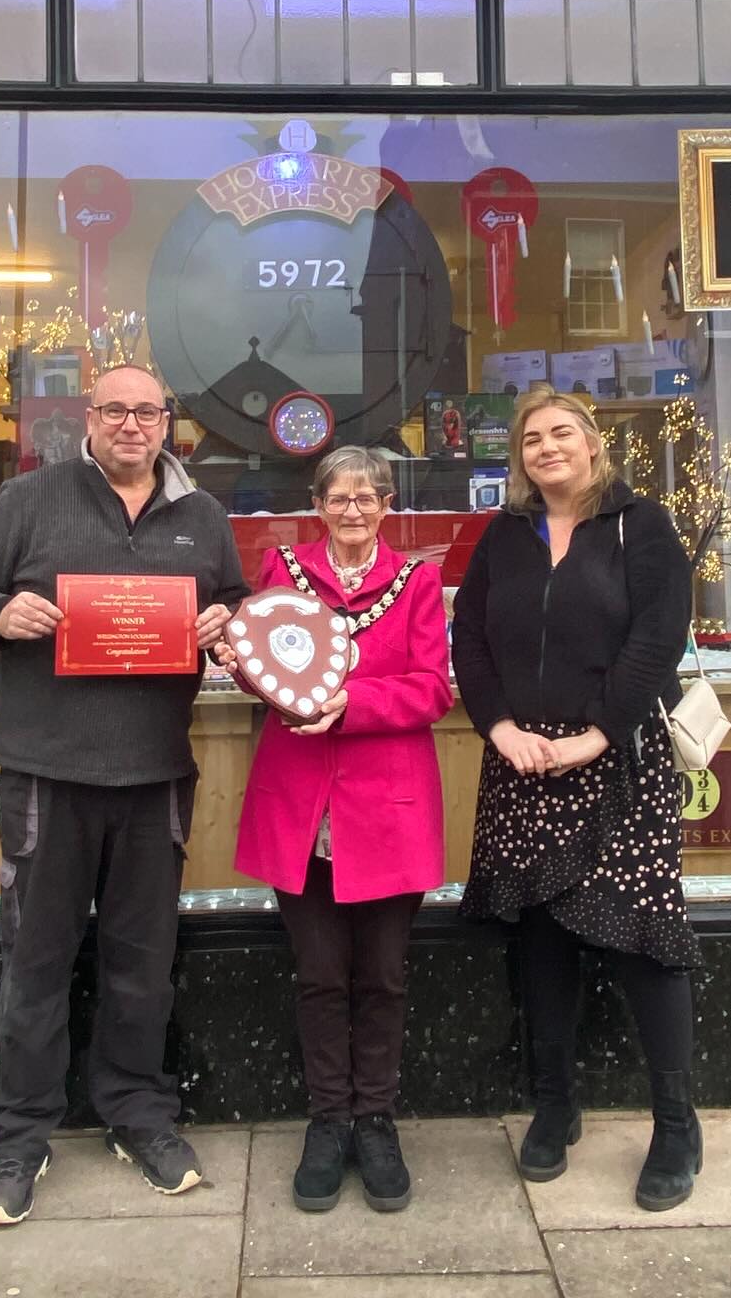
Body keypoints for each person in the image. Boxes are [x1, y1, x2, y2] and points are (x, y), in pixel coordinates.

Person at [0, 364, 249, 1225]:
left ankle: (138, 1114)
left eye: (147, 412)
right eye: (115, 410)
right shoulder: (33, 499)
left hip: (155, 775)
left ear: (167, 423)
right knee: (35, 963)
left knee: (143, 963)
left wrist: (227, 628)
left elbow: (236, 608)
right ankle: (19, 1138)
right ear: (90, 418)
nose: (132, 425)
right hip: (47, 772)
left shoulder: (204, 517)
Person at [451, 384, 701, 1212]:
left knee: (640, 941)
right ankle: (555, 1107)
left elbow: (657, 639)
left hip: (616, 758)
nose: (547, 448)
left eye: (562, 434)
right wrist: (499, 728)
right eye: (531, 439)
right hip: (524, 765)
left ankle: (676, 1126)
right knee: (543, 940)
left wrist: (597, 731)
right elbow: (471, 641)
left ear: (594, 445)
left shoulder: (643, 525)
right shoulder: (504, 536)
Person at [217, 446, 452, 1213]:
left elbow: (431, 689)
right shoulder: (284, 573)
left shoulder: (416, 582)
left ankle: (376, 1119)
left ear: (387, 505)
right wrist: (240, 661)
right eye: (339, 498)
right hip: (301, 805)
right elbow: (264, 666)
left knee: (382, 975)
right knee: (319, 974)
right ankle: (328, 1121)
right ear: (317, 505)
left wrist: (351, 704)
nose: (353, 510)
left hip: (387, 808)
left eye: (368, 498)